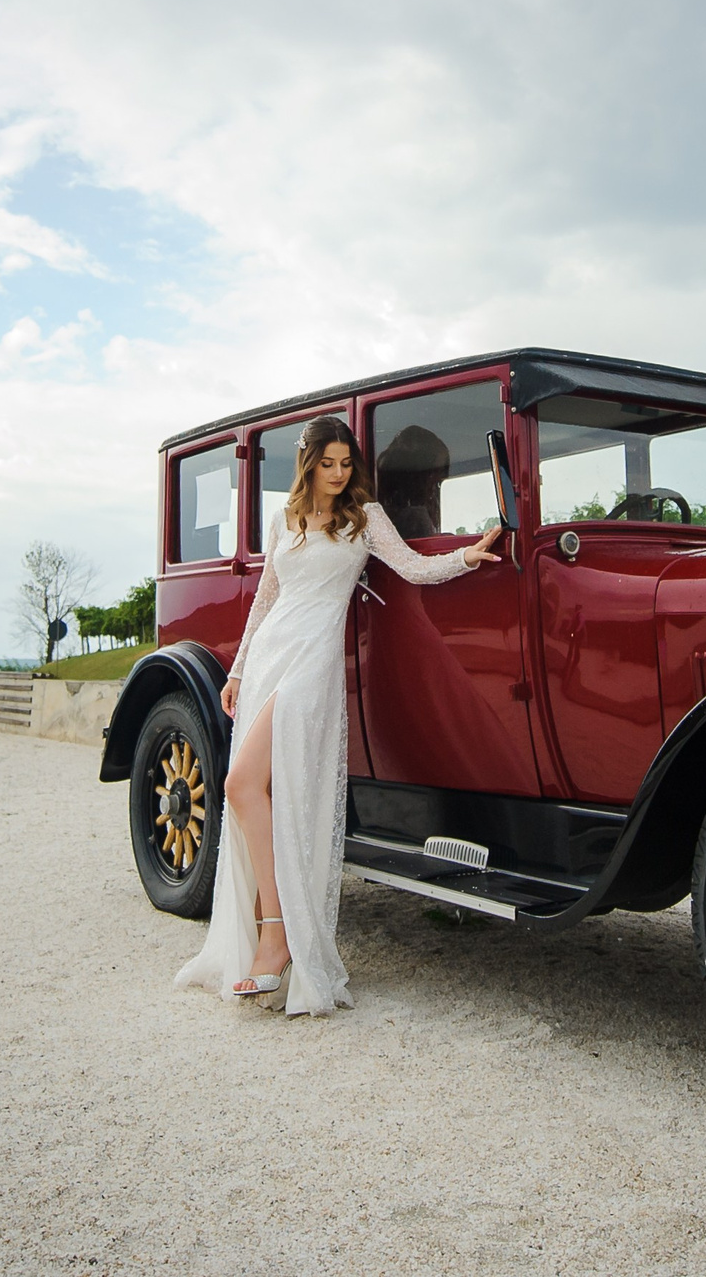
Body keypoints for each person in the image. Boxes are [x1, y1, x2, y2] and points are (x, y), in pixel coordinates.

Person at [174, 414, 502, 1015]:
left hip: (312, 664)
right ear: (308, 464)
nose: (337, 474)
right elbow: (265, 601)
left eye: (346, 464)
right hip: (270, 657)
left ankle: (278, 937)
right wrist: (238, 670)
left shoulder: (365, 517)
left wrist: (466, 556)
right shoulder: (284, 519)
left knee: (246, 784)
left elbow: (413, 566)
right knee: (248, 788)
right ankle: (271, 930)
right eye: (327, 464)